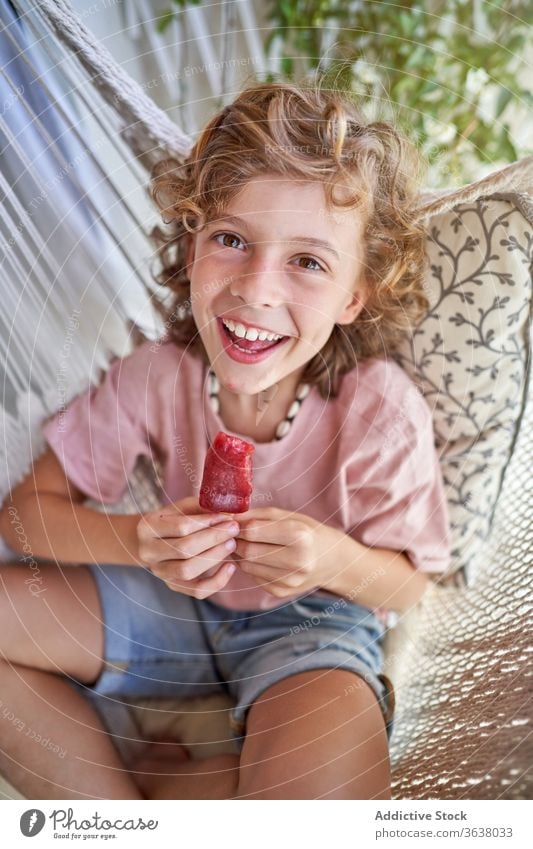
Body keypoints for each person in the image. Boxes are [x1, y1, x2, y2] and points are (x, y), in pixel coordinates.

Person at [0, 79, 450, 800]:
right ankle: (120, 815)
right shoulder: (155, 376)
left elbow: (409, 579)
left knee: (320, 803)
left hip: (315, 626)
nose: (255, 290)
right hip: (168, 603)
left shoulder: (378, 410)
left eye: (307, 262)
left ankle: (186, 787)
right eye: (231, 240)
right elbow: (23, 515)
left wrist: (327, 556)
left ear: (353, 296)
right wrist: (137, 539)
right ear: (191, 246)